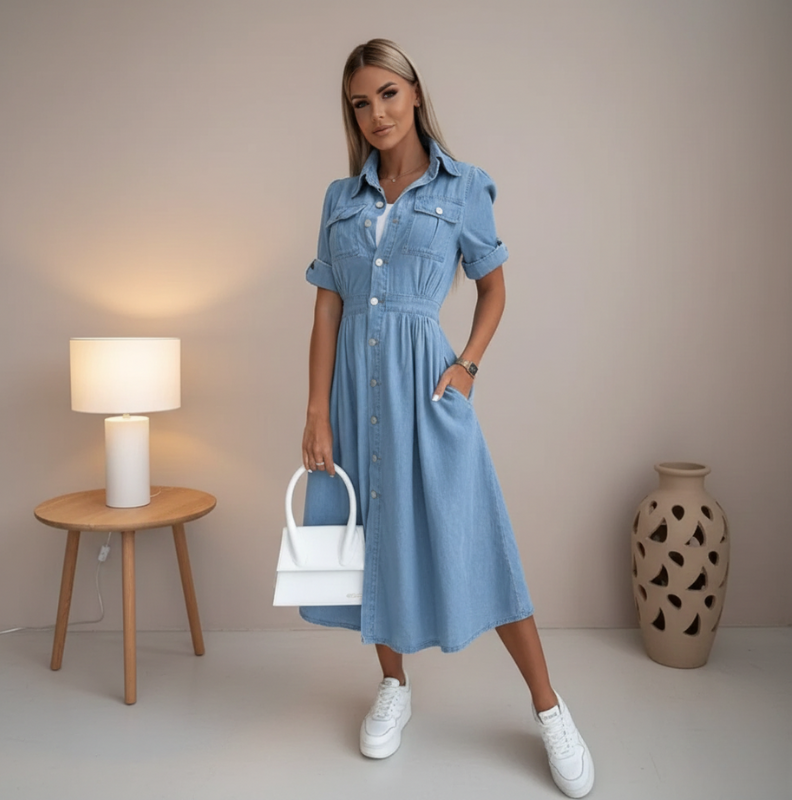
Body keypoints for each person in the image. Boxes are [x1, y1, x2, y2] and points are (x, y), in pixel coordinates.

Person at [300, 38, 594, 799]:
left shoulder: (463, 188)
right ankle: (394, 684)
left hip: (428, 390)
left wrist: (466, 365)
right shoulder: (341, 197)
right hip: (354, 396)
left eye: (387, 95)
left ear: (416, 93)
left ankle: (550, 706)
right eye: (361, 103)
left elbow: (494, 289)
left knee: (477, 539)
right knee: (371, 538)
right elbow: (327, 309)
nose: (376, 114)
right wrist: (314, 411)